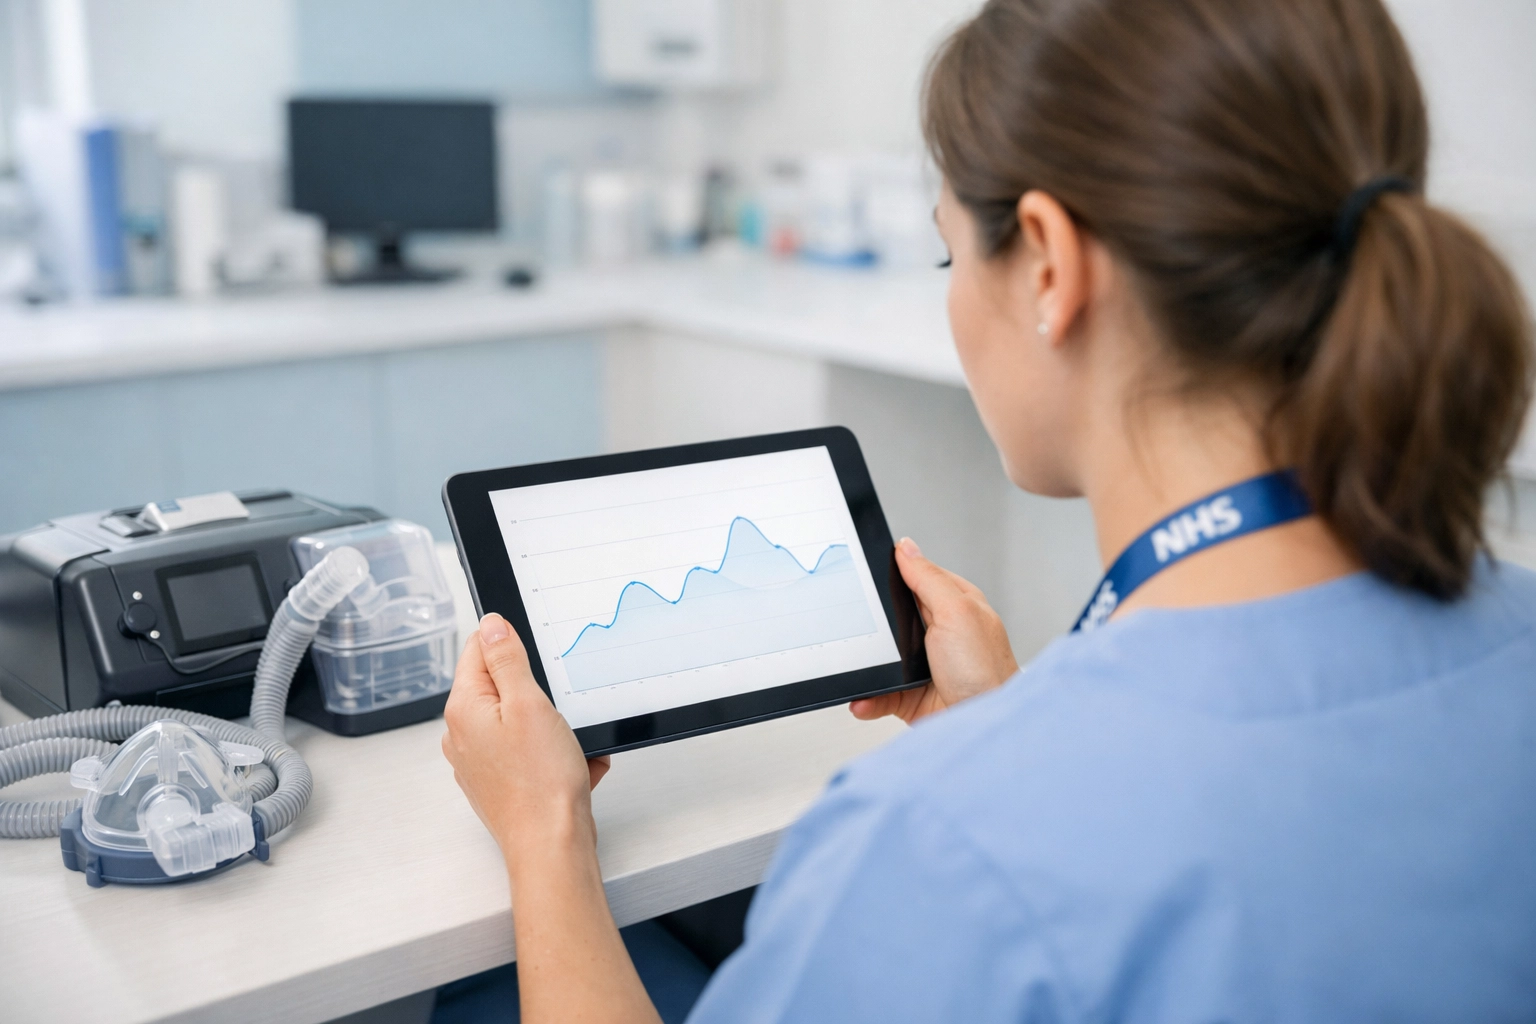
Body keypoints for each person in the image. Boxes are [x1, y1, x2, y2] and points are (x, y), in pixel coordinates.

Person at [438, 0, 1536, 1019]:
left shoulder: (939, 840)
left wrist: (544, 829)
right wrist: (998, 730)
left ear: (1049, 266)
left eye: (948, 252)